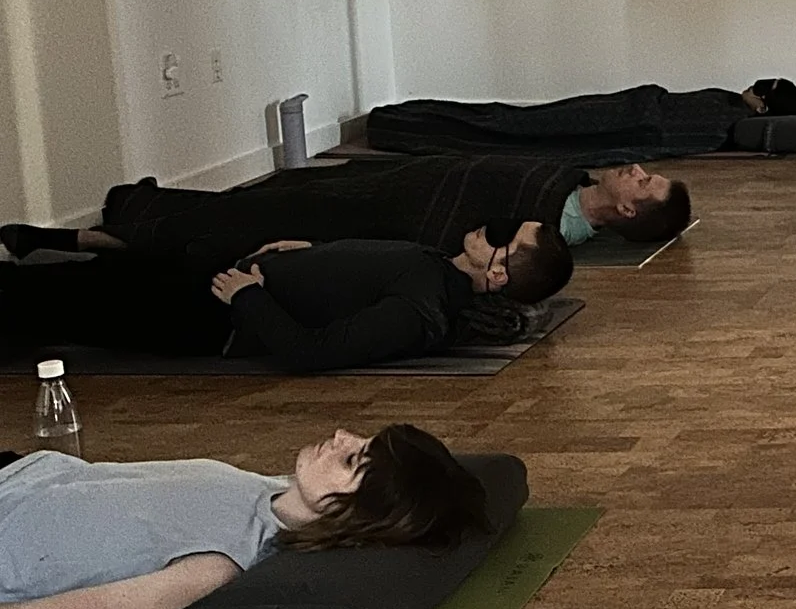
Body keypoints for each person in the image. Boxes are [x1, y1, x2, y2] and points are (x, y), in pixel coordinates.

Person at [0, 424, 489, 609]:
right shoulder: (270, 491)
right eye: (360, 442)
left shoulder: (224, 560)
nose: (340, 435)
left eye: (349, 459)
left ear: (352, 512)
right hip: (22, 470)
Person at [0, 229, 571, 373]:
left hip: (207, 316)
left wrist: (249, 297)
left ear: (495, 275)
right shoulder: (435, 268)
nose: (487, 228)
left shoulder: (420, 311)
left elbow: (311, 351)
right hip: (223, 281)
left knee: (53, 302)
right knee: (72, 282)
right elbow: (362, 272)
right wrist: (313, 253)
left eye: (503, 237)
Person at [4, 156, 688, 264]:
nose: (636, 169)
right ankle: (113, 225)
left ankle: (75, 240)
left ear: (628, 210)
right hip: (383, 186)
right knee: (260, 200)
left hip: (380, 217)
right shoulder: (568, 177)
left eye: (645, 181)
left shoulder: (549, 227)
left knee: (233, 229)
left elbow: (468, 235)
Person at [361, 79, 796, 159]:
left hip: (621, 118)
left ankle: (399, 127)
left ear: (765, 108)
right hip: (625, 104)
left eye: (762, 90)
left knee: (516, 127)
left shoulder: (722, 124)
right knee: (515, 115)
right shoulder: (726, 104)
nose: (752, 88)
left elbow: (660, 131)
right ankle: (400, 118)